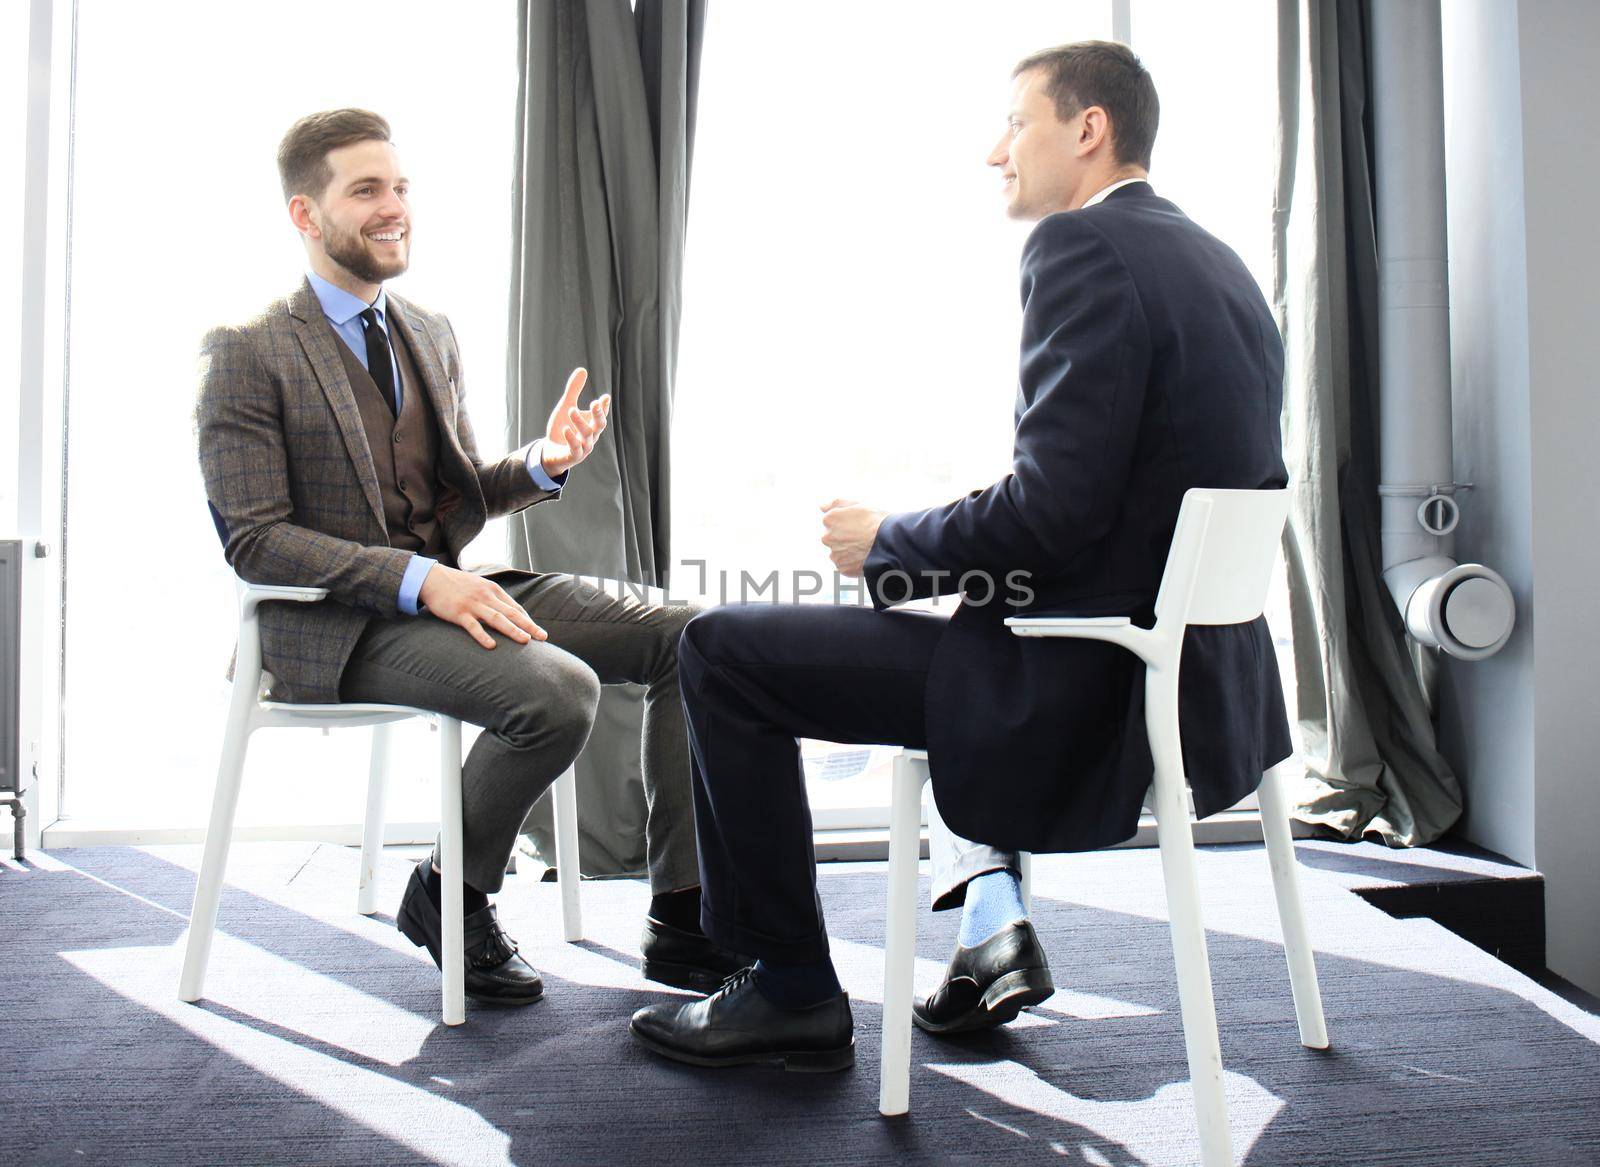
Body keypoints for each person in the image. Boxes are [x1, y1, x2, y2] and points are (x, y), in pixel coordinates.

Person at [630, 42, 1292, 1070]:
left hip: (1083, 690)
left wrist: (886, 545)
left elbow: (1050, 515)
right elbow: (1096, 501)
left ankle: (786, 986)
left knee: (721, 649)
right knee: (944, 629)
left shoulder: (1079, 249)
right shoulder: (1219, 263)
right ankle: (989, 924)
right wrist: (934, 549)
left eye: (1016, 122)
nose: (996, 150)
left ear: (1087, 129)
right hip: (1195, 683)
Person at [196, 109, 745, 1009]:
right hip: (332, 623)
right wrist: (420, 580)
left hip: (450, 591)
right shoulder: (247, 350)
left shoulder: (429, 329)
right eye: (366, 190)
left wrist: (541, 463)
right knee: (557, 691)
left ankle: (681, 915)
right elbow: (255, 536)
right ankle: (450, 890)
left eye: (401, 187)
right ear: (306, 212)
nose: (394, 207)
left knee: (699, 637)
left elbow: (449, 496)